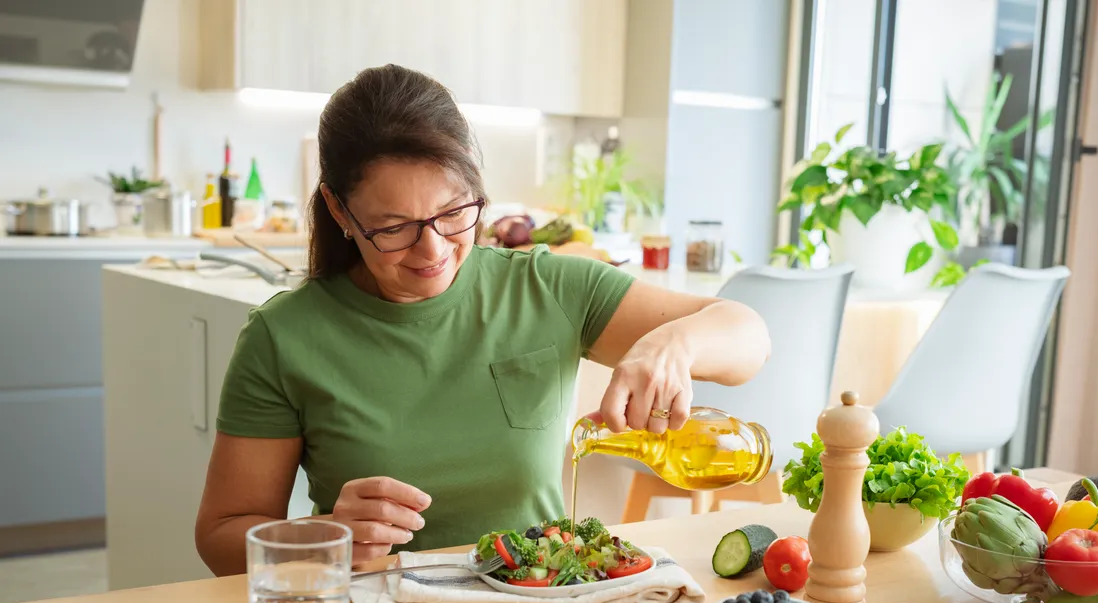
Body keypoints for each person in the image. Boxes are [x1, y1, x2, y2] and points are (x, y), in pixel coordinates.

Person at [194, 65, 770, 576]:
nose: (432, 250)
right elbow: (221, 537)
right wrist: (327, 540)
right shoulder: (286, 336)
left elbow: (749, 338)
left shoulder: (547, 287)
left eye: (453, 213)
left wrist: (673, 345)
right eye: (393, 227)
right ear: (341, 210)